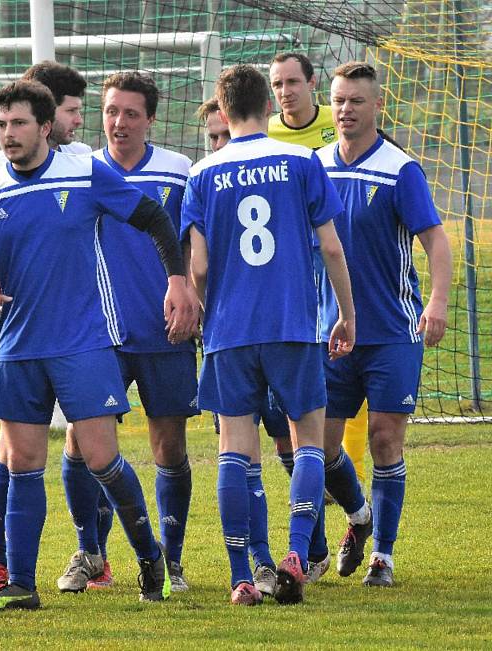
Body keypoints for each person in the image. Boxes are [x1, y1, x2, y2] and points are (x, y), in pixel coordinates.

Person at [0, 80, 198, 611]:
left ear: (43, 127)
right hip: (17, 345)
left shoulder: (82, 171)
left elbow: (152, 217)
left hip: (83, 343)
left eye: (18, 124)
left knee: (103, 458)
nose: (8, 134)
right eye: (0, 125)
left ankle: (150, 557)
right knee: (23, 463)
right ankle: (20, 583)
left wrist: (177, 280)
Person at [182, 64, 355, 606]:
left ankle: (240, 578)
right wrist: (346, 313)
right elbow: (330, 246)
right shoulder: (302, 161)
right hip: (293, 324)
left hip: (230, 331)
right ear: (266, 103)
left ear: (223, 107)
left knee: (236, 448)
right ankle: (297, 553)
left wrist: (210, 310)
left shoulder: (203, 173)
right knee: (308, 439)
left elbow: (201, 265)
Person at [55, 72, 199, 594]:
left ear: (151, 119)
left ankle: (173, 560)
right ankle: (92, 553)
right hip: (99, 334)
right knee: (80, 442)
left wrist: (193, 294)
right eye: (111, 111)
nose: (118, 122)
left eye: (130, 113)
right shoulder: (79, 169)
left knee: (169, 447)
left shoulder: (179, 171)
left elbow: (193, 241)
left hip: (166, 331)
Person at [316, 62, 451, 587]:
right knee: (323, 450)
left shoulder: (400, 169)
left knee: (385, 439)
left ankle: (384, 556)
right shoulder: (316, 165)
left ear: (377, 107)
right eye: (339, 100)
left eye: (355, 101)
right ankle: (358, 516)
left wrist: (436, 302)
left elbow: (436, 240)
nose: (346, 109)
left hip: (394, 332)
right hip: (331, 333)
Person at [0, 61, 93, 597]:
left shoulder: (83, 165)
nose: (79, 123)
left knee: (86, 447)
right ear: (46, 115)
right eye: (71, 111)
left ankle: (95, 555)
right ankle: (5, 568)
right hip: (30, 335)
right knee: (16, 453)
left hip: (86, 328)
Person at [269, 51, 369, 487]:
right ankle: (312, 474)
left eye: (293, 82)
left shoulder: (341, 117)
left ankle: (351, 467)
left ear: (312, 85)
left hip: (335, 257)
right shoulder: (265, 133)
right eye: (277, 85)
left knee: (345, 355)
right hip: (286, 267)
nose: (285, 92)